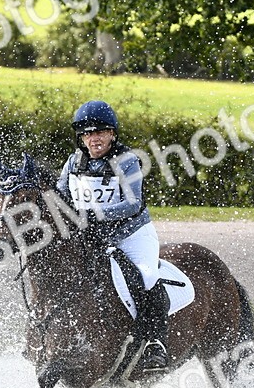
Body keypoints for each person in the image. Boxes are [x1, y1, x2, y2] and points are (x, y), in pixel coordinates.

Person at [56, 100, 169, 370]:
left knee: (146, 275)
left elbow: (132, 203)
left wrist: (94, 214)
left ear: (112, 134)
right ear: (81, 137)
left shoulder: (126, 161)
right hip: (92, 236)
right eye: (88, 133)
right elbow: (60, 194)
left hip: (131, 234)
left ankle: (155, 343)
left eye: (100, 132)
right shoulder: (74, 162)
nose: (94, 138)